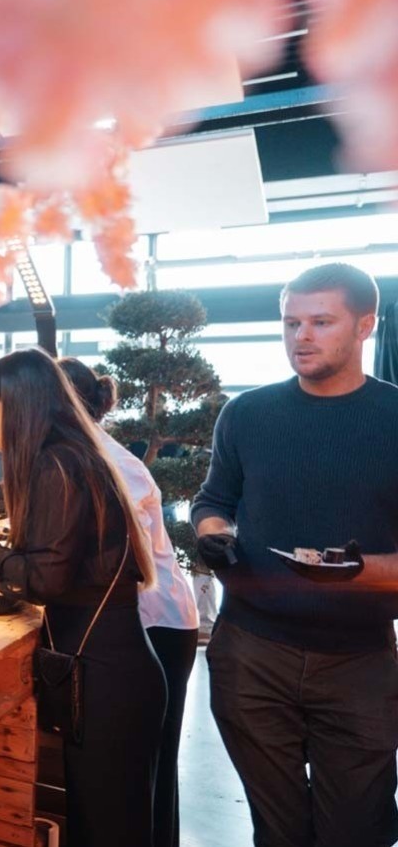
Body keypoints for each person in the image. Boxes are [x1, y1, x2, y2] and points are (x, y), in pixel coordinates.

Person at [0, 348, 165, 847]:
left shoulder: (59, 464)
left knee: (107, 828)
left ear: (16, 406)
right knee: (107, 822)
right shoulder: (65, 455)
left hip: (107, 673)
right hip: (111, 663)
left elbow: (40, 580)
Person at [191, 263, 398, 847]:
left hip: (359, 662)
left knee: (357, 830)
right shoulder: (248, 414)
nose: (301, 337)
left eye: (320, 322)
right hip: (251, 653)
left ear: (365, 326)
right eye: (291, 323)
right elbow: (214, 498)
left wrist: (358, 571)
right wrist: (214, 532)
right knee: (277, 830)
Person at [60, 357, 199, 847]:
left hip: (156, 621)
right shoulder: (86, 453)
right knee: (142, 768)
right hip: (149, 617)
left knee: (146, 765)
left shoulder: (107, 462)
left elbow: (113, 559)